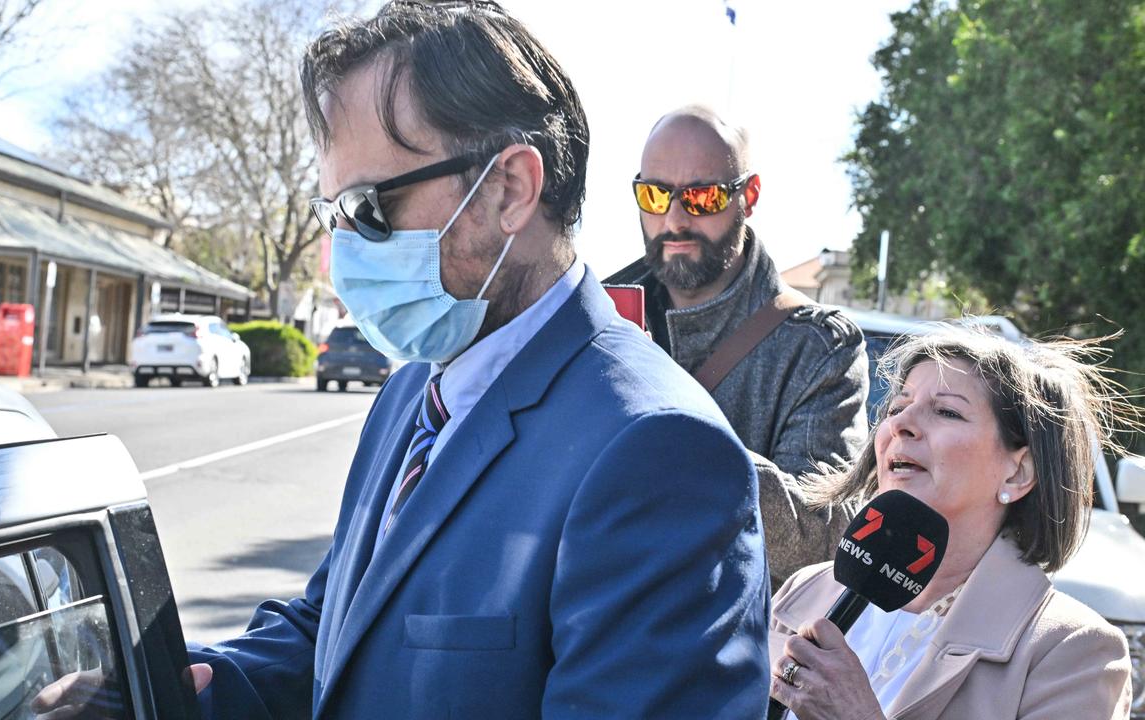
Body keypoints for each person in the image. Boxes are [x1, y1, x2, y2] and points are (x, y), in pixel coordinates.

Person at [177, 3, 766, 718]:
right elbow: (337, 627)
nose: (347, 249)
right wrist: (171, 691)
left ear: (510, 188)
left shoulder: (659, 450)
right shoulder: (411, 393)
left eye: (369, 208)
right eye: (335, 214)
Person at [768, 328, 1136, 719]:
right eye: (896, 407)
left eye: (947, 412)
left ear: (1017, 473)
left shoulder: (1073, 653)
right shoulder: (806, 590)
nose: (900, 424)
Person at [606, 107, 869, 588]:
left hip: (722, 646)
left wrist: (676, 435)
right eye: (654, 194)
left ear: (748, 195)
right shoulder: (595, 316)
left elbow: (823, 538)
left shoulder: (819, 347)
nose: (675, 218)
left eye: (702, 197)